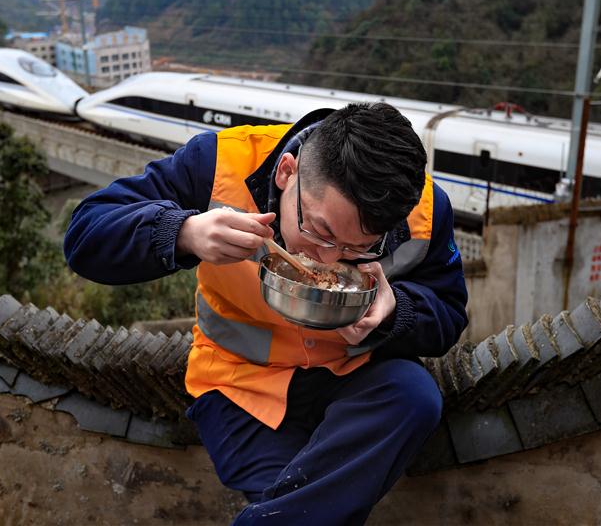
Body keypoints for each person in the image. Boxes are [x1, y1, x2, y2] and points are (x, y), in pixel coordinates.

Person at [64, 102, 468, 525]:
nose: (329, 257)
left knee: (415, 394)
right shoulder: (217, 163)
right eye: (319, 231)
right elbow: (84, 235)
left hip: (355, 377)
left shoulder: (424, 208)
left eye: (358, 247)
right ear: (287, 172)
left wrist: (395, 312)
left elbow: (448, 313)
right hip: (240, 386)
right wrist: (182, 233)